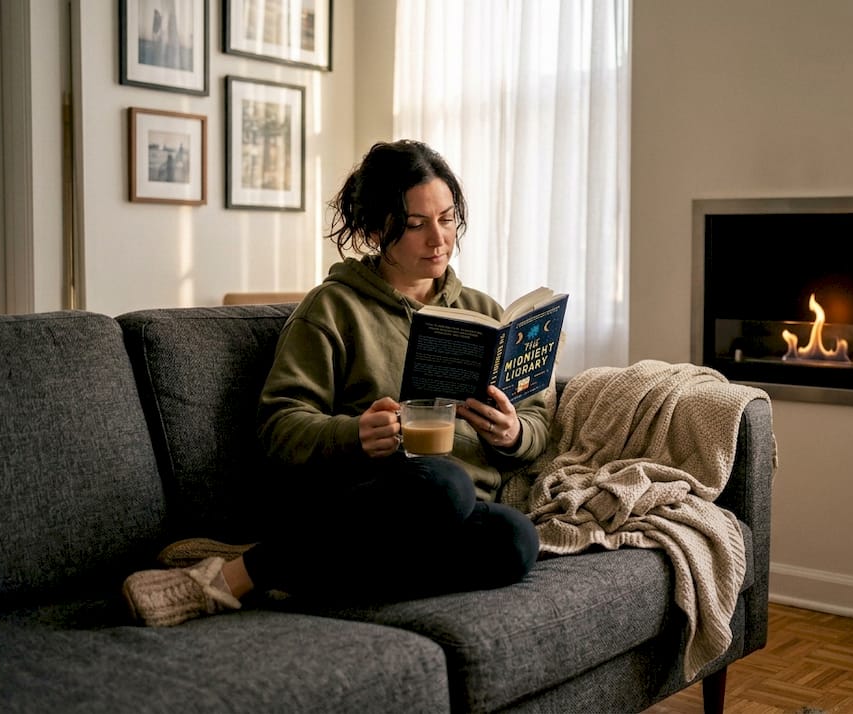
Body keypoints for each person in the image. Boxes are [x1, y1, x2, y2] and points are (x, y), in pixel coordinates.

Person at [122, 140, 551, 627]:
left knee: (517, 542)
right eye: (416, 225)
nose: (439, 239)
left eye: (448, 218)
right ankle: (233, 577)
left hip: (455, 517)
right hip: (383, 495)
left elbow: (537, 416)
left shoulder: (486, 313)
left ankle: (296, 563)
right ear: (374, 228)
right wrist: (355, 434)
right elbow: (279, 426)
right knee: (444, 482)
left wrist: (513, 433)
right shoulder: (331, 309)